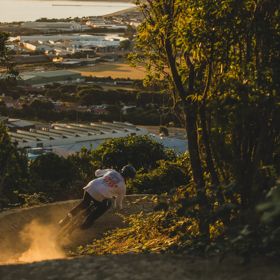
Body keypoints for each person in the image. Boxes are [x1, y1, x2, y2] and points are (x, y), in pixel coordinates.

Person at [59, 165, 136, 230]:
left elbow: (97, 173)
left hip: (91, 187)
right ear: (129, 177)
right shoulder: (123, 187)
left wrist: (99, 169)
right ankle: (87, 222)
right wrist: (118, 208)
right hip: (100, 195)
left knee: (84, 204)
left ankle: (65, 220)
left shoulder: (112, 171)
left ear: (122, 170)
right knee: (107, 204)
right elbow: (118, 203)